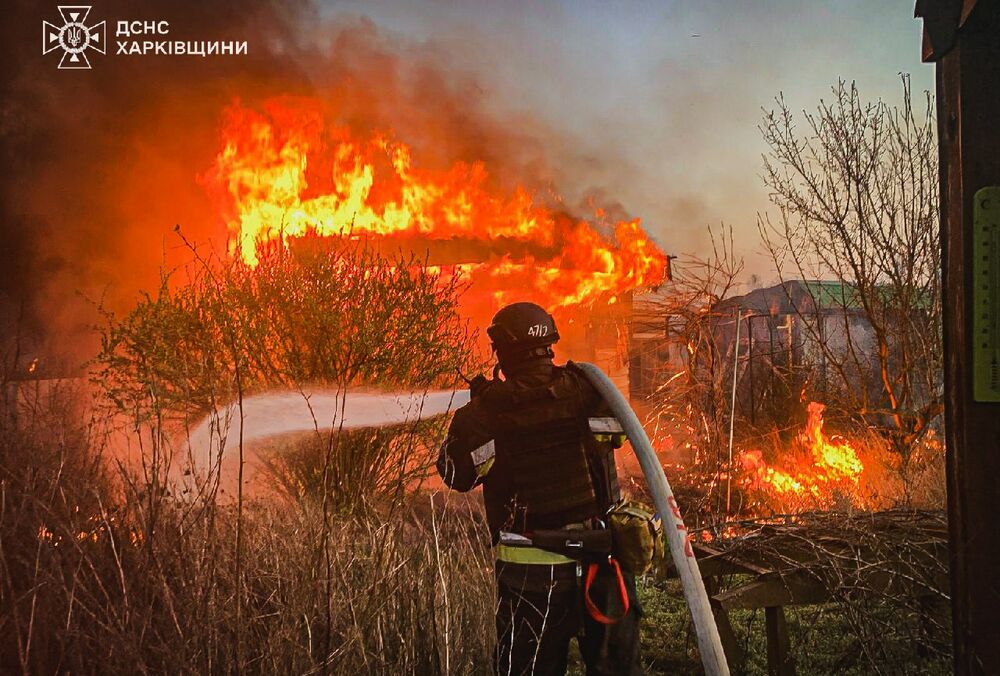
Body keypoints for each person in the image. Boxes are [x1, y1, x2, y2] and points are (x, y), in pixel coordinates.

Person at [437, 302, 643, 676]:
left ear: (501, 352)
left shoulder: (482, 415)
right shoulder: (588, 388)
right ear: (549, 344)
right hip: (602, 568)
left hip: (532, 586)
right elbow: (619, 434)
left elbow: (456, 475)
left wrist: (472, 418)